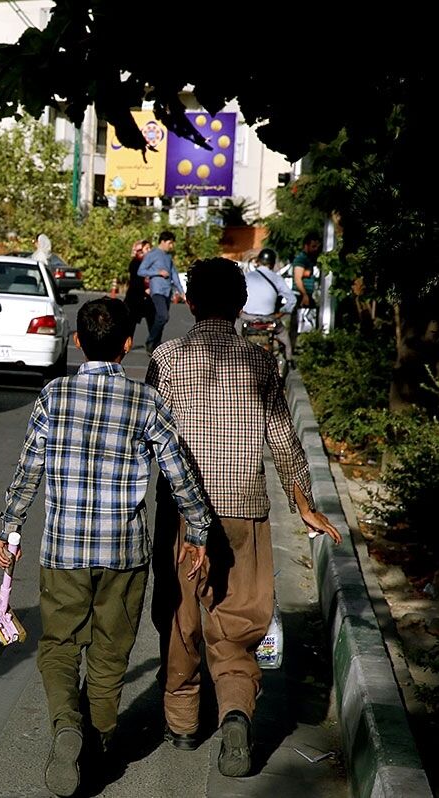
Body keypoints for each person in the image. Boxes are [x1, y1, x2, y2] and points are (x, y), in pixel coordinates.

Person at [0, 298, 213, 797]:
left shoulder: (53, 396)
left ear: (76, 342)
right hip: (124, 553)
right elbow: (179, 474)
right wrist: (199, 530)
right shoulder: (146, 403)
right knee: (111, 652)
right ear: (127, 345)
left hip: (64, 550)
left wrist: (9, 528)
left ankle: (66, 726)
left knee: (58, 646)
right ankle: (97, 743)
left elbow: (28, 471)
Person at [146, 258, 341, 778]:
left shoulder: (165, 358)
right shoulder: (258, 363)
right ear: (239, 305)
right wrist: (304, 507)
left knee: (181, 616)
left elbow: (147, 438)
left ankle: (184, 724)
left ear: (188, 299)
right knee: (236, 621)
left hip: (183, 517)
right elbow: (282, 440)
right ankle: (235, 710)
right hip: (244, 511)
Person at [240, 248, 297, 363]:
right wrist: (280, 313)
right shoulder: (277, 279)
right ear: (272, 263)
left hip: (246, 319)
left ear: (258, 262)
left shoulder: (247, 277)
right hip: (269, 320)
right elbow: (292, 300)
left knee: (233, 337)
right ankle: (289, 360)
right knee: (285, 339)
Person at [137, 231, 184, 351]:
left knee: (161, 318)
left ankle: (156, 343)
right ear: (162, 242)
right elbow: (141, 271)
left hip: (167, 291)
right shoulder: (153, 254)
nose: (171, 246)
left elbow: (174, 275)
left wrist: (182, 292)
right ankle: (151, 340)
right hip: (157, 290)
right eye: (170, 243)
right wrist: (157, 273)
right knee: (163, 316)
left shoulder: (168, 257)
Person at [290, 232, 322, 347]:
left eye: (317, 246)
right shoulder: (301, 259)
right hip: (300, 295)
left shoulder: (310, 259)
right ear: (306, 246)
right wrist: (304, 295)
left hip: (307, 294)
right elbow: (298, 279)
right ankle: (292, 349)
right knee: (297, 323)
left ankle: (307, 346)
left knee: (308, 321)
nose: (315, 249)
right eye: (313, 246)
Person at [123, 239, 154, 333]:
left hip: (149, 297)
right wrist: (145, 289)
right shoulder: (135, 262)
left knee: (153, 321)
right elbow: (135, 281)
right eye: (146, 248)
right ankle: (126, 343)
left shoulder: (152, 262)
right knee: (130, 322)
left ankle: (153, 343)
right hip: (135, 297)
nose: (149, 250)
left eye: (150, 248)